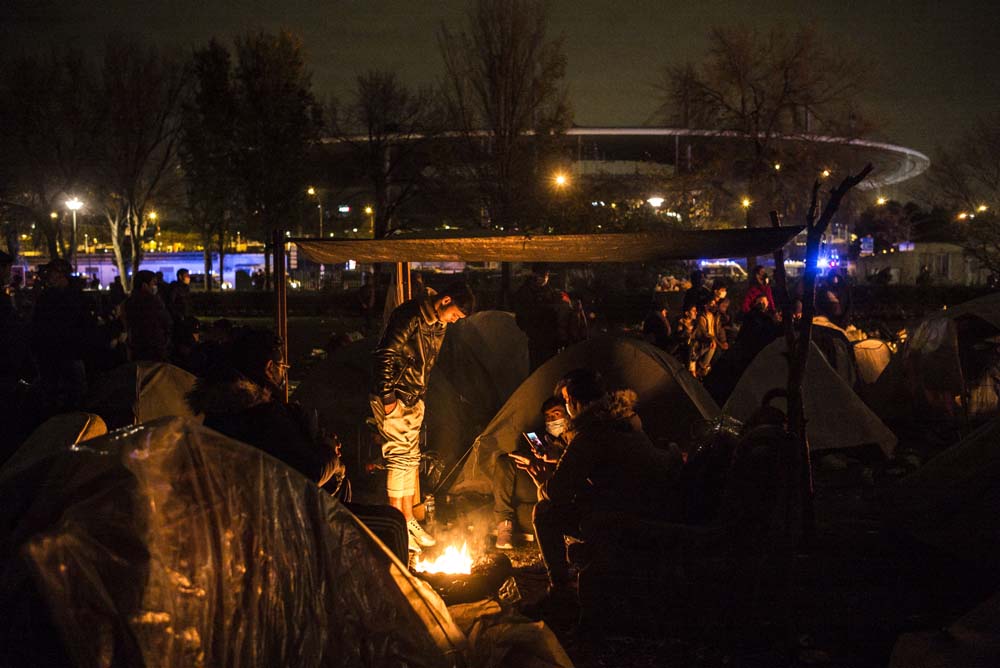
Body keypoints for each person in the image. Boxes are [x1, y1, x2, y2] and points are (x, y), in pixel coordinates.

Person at [187, 328, 410, 563]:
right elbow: (309, 473)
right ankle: (399, 598)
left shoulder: (215, 416)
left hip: (241, 519)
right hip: (283, 522)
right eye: (282, 368)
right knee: (392, 523)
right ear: (269, 368)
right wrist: (329, 451)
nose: (284, 374)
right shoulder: (266, 416)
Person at [520, 369, 681, 609]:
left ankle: (561, 591)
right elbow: (608, 465)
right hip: (650, 502)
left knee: (545, 511)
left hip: (625, 514)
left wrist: (542, 482)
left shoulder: (590, 434)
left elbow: (557, 491)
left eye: (565, 402)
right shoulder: (625, 420)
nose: (565, 408)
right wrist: (563, 457)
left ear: (573, 401)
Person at [370, 281, 475, 552]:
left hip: (415, 396)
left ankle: (406, 518)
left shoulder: (436, 325)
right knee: (397, 457)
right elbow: (385, 354)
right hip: (396, 395)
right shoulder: (410, 315)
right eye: (454, 315)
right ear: (445, 300)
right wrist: (388, 396)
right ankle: (397, 522)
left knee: (410, 458)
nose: (453, 321)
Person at [494, 396, 569, 550]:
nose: (552, 419)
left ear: (568, 412)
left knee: (533, 511)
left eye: (556, 414)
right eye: (548, 416)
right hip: (537, 483)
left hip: (556, 492)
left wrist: (554, 458)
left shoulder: (575, 438)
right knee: (504, 461)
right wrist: (529, 458)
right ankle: (504, 525)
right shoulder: (542, 436)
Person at [30, 258, 94, 411]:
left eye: (51, 273)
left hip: (69, 353)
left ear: (60, 274)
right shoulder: (47, 296)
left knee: (74, 395)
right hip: (54, 355)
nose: (48, 276)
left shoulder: (74, 297)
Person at [513, 263, 562, 370]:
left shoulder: (550, 291)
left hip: (549, 338)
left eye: (546, 275)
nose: (544, 278)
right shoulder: (526, 292)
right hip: (535, 337)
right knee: (536, 366)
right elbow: (522, 316)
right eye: (542, 275)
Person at [123, 270, 173, 362]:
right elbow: (166, 321)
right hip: (155, 347)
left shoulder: (129, 302)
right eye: (153, 283)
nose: (155, 287)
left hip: (136, 347)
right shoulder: (154, 302)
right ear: (144, 285)